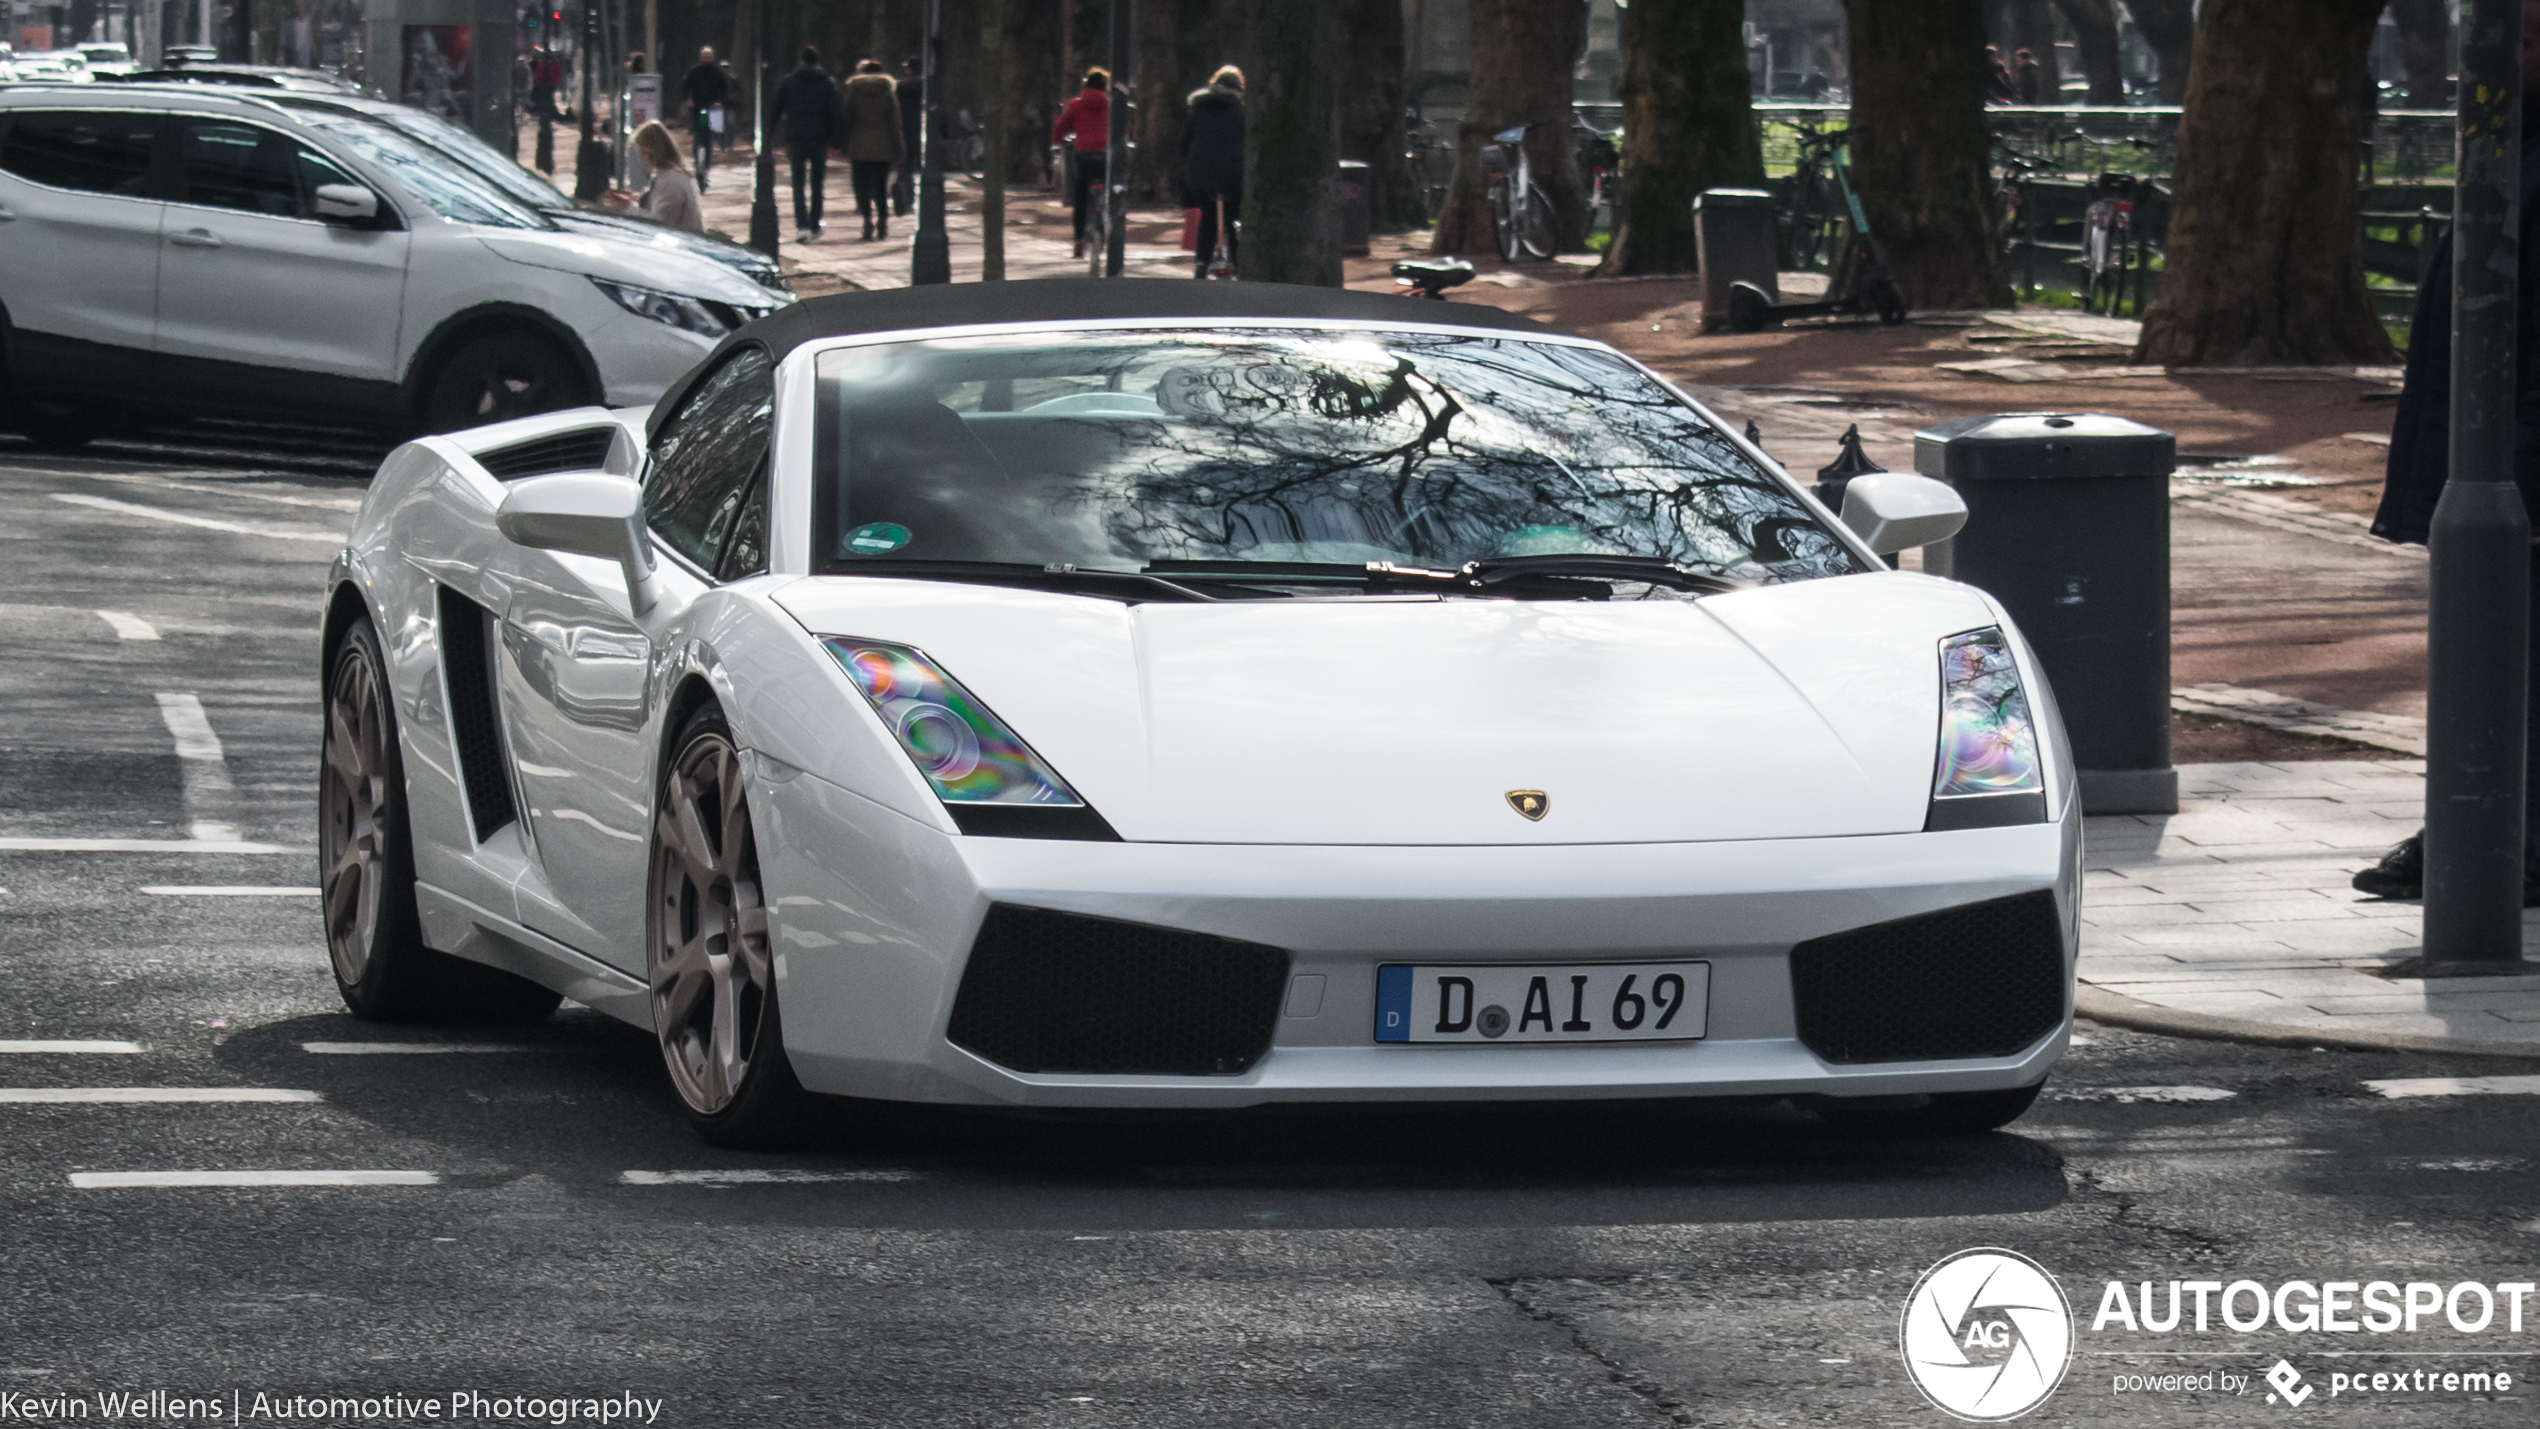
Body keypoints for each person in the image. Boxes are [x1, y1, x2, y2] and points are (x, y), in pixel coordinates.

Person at [2354, 0, 2540, 905]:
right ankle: (2479, 821)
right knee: (2497, 649)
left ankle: (2504, 833)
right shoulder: (2500, 148)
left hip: (2517, 461)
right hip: (2487, 457)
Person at [770, 47, 840, 242]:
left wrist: (770, 135)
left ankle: (801, 225)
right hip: (818, 138)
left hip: (796, 137)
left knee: (798, 182)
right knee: (818, 183)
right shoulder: (827, 83)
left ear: (801, 61)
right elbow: (834, 113)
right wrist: (835, 139)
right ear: (817, 61)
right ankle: (816, 223)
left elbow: (776, 109)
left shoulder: (789, 82)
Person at [1180, 65, 1243, 279]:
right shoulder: (1242, 112)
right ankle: (1239, 262)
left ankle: (1201, 262)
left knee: (1207, 216)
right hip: (1234, 177)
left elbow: (1183, 143)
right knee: (1234, 218)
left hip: (1200, 177)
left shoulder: (1197, 109)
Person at [839, 58, 903, 241]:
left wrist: (844, 143)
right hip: (883, 146)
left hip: (860, 146)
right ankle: (883, 221)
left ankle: (867, 220)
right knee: (881, 187)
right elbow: (894, 122)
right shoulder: (887, 92)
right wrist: (898, 147)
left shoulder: (854, 92)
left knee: (861, 186)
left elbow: (848, 119)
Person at [1051, 67, 1110, 259]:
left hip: (1083, 155)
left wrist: (1057, 141)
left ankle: (1078, 241)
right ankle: (1107, 232)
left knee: (1081, 198)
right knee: (1110, 191)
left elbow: (1060, 126)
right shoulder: (1110, 104)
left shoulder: (1075, 104)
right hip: (1104, 155)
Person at [606, 121, 704, 233]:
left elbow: (660, 223)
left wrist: (628, 208)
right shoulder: (673, 173)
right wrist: (636, 198)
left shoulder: (670, 180)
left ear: (650, 150)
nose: (643, 158)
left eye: (642, 151)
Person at [681, 46, 730, 191]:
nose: (706, 59)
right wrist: (688, 100)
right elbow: (685, 87)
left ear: (712, 58)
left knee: (708, 138)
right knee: (698, 135)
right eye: (704, 57)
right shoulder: (694, 71)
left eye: (709, 57)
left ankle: (706, 165)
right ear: (700, 58)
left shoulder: (718, 72)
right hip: (698, 109)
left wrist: (719, 101)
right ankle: (698, 162)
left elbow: (725, 88)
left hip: (713, 109)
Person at [893, 53, 924, 216]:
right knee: (914, 167)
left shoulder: (901, 88)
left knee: (904, 169)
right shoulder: (924, 89)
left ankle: (905, 199)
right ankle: (911, 200)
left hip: (903, 130)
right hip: (918, 131)